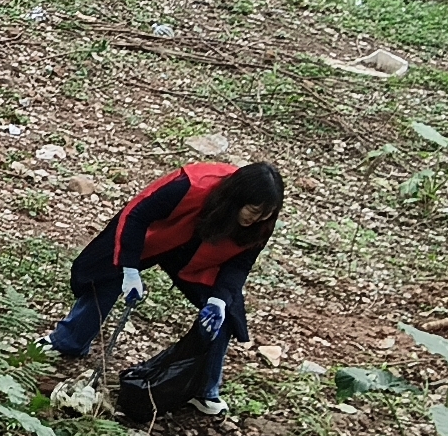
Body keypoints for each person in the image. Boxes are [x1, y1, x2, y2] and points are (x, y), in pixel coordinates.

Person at [49, 160, 284, 417]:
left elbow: (240, 265)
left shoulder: (262, 221)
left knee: (225, 315)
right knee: (106, 272)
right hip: (156, 237)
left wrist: (217, 300)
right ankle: (69, 341)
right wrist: (129, 269)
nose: (257, 219)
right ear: (237, 198)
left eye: (265, 214)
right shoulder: (191, 184)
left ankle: (203, 390)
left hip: (202, 257)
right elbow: (137, 214)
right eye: (253, 210)